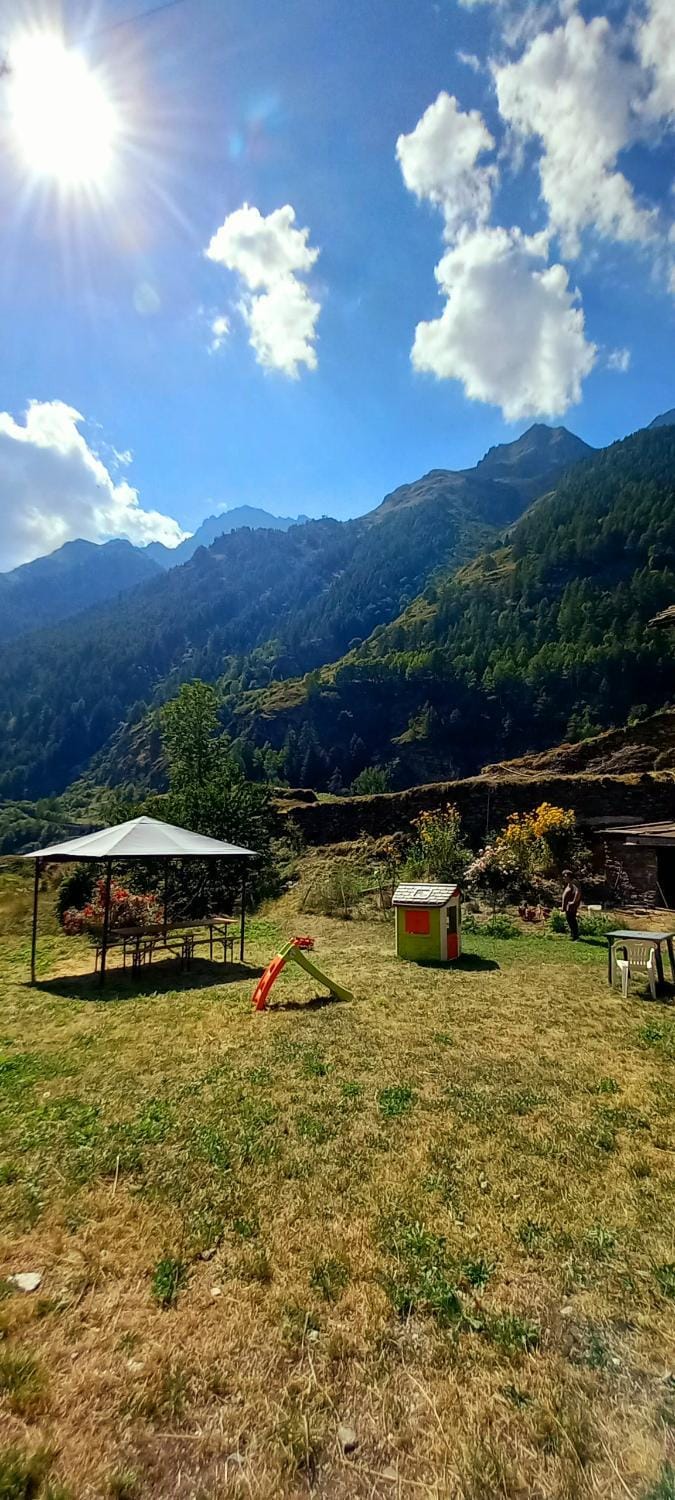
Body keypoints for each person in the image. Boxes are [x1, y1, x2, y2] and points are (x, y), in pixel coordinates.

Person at [561, 869, 581, 940]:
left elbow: (578, 892)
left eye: (565, 876)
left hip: (572, 906)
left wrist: (573, 901)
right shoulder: (569, 883)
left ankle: (576, 936)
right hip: (568, 906)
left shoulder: (574, 882)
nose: (564, 878)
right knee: (569, 919)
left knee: (572, 920)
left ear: (569, 876)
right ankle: (572, 934)